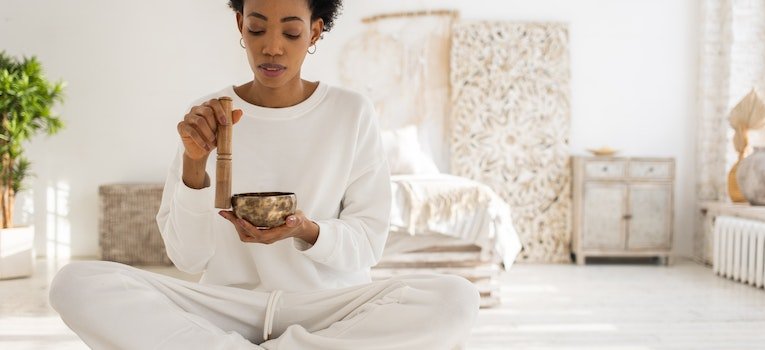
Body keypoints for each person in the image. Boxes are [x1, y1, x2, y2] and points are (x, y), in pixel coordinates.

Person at [49, 0, 480, 348]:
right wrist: (194, 165)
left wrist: (307, 231)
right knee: (76, 284)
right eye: (257, 28)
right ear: (240, 24)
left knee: (456, 299)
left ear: (315, 30)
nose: (272, 47)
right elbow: (188, 258)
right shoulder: (210, 113)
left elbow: (367, 244)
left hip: (327, 309)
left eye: (291, 31)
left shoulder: (350, 113)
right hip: (226, 306)